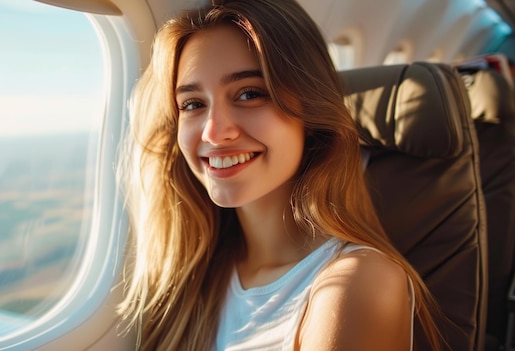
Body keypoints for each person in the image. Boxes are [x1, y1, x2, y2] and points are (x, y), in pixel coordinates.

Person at [115, 0, 444, 350]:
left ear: (310, 112)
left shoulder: (354, 283)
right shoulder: (196, 276)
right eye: (193, 104)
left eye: (250, 94)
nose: (214, 132)